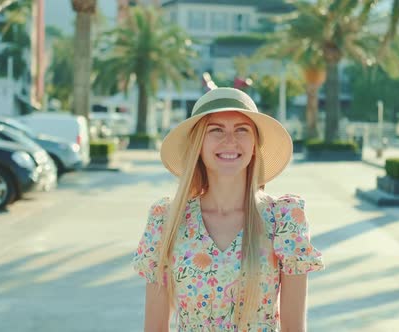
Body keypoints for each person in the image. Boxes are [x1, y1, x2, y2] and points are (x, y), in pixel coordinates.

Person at [133, 87, 324, 331]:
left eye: (241, 129)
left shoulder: (284, 220)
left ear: (255, 144)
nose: (229, 140)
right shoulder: (167, 221)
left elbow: (294, 329)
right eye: (216, 130)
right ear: (198, 145)